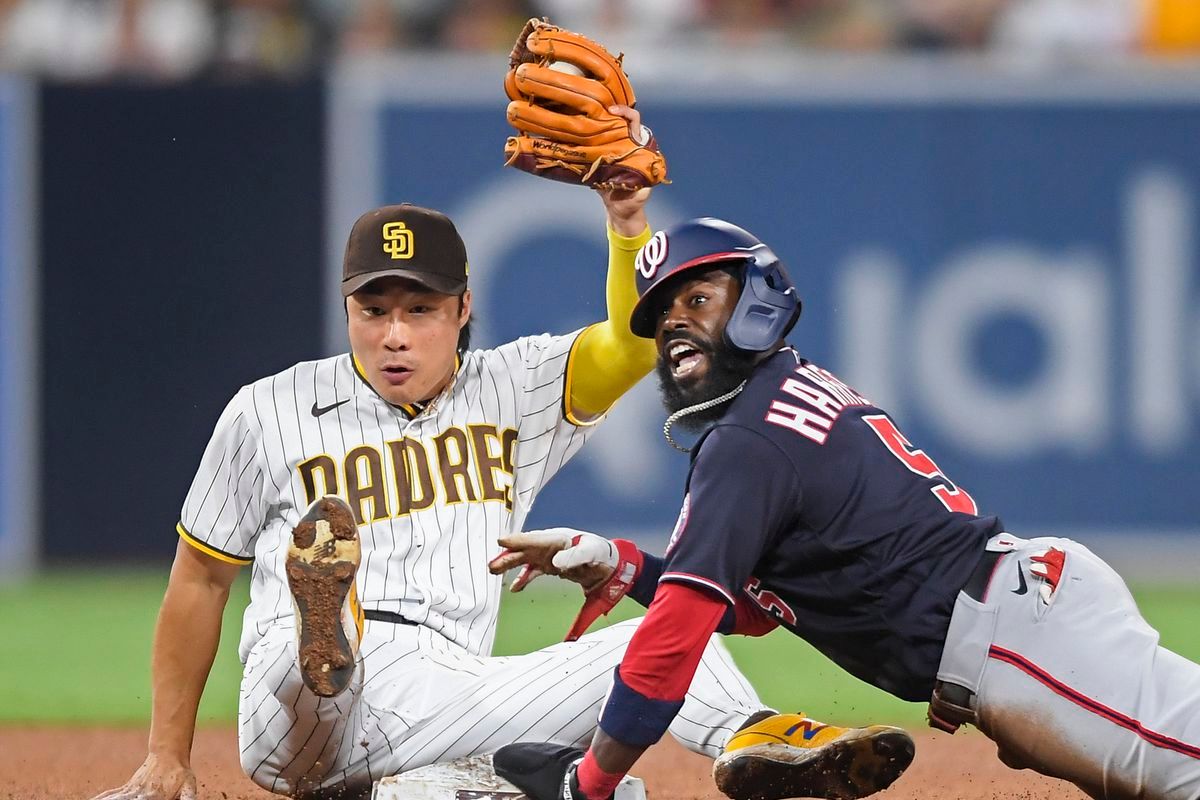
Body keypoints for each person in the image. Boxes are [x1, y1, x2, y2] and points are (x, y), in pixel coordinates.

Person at [89, 111, 910, 800]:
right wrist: (167, 755)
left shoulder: (512, 387)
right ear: (346, 308)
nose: (396, 332)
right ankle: (327, 624)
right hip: (294, 707)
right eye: (373, 309)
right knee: (314, 654)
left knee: (644, 654)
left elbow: (629, 351)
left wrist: (628, 223)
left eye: (420, 307)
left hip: (444, 699)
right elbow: (200, 580)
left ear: (463, 307)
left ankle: (758, 741)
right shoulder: (266, 409)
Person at [490, 217, 1200, 800]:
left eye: (698, 300)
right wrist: (626, 565)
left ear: (758, 299)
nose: (675, 326)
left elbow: (675, 637)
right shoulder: (780, 395)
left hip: (1019, 642)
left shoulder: (748, 440)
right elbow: (766, 604)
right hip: (1021, 618)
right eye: (663, 317)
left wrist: (591, 781)